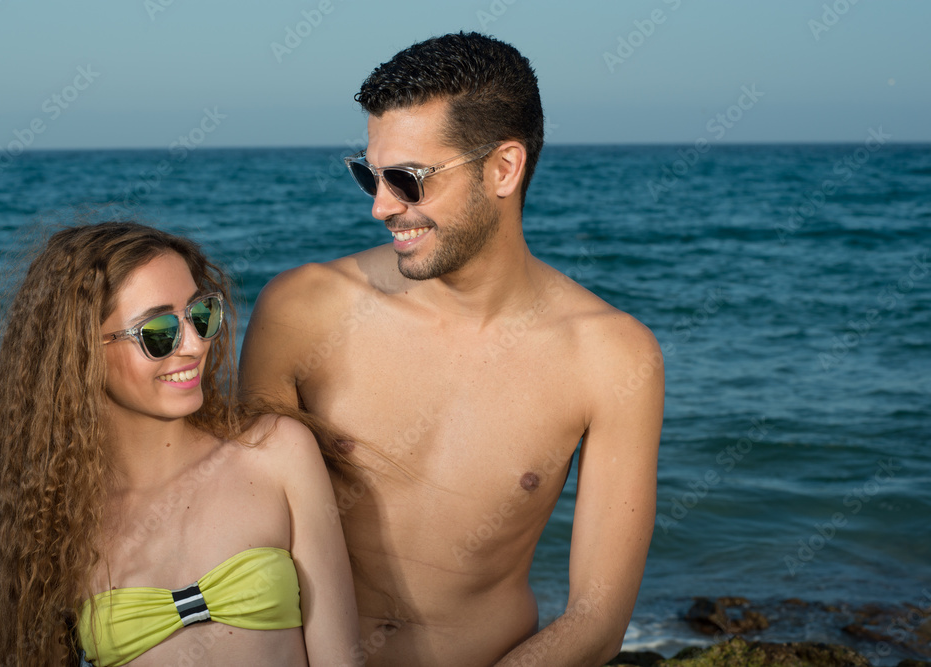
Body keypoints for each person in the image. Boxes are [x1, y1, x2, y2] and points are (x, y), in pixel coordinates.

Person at [239, 31, 664, 666]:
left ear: (503, 169)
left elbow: (597, 619)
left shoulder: (610, 357)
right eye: (368, 175)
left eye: (408, 180)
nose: (382, 207)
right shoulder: (302, 310)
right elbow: (242, 544)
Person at [0, 222, 358, 666]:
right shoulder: (52, 520)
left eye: (201, 314)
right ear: (80, 352)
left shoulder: (278, 453)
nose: (194, 344)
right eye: (158, 331)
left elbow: (340, 657)